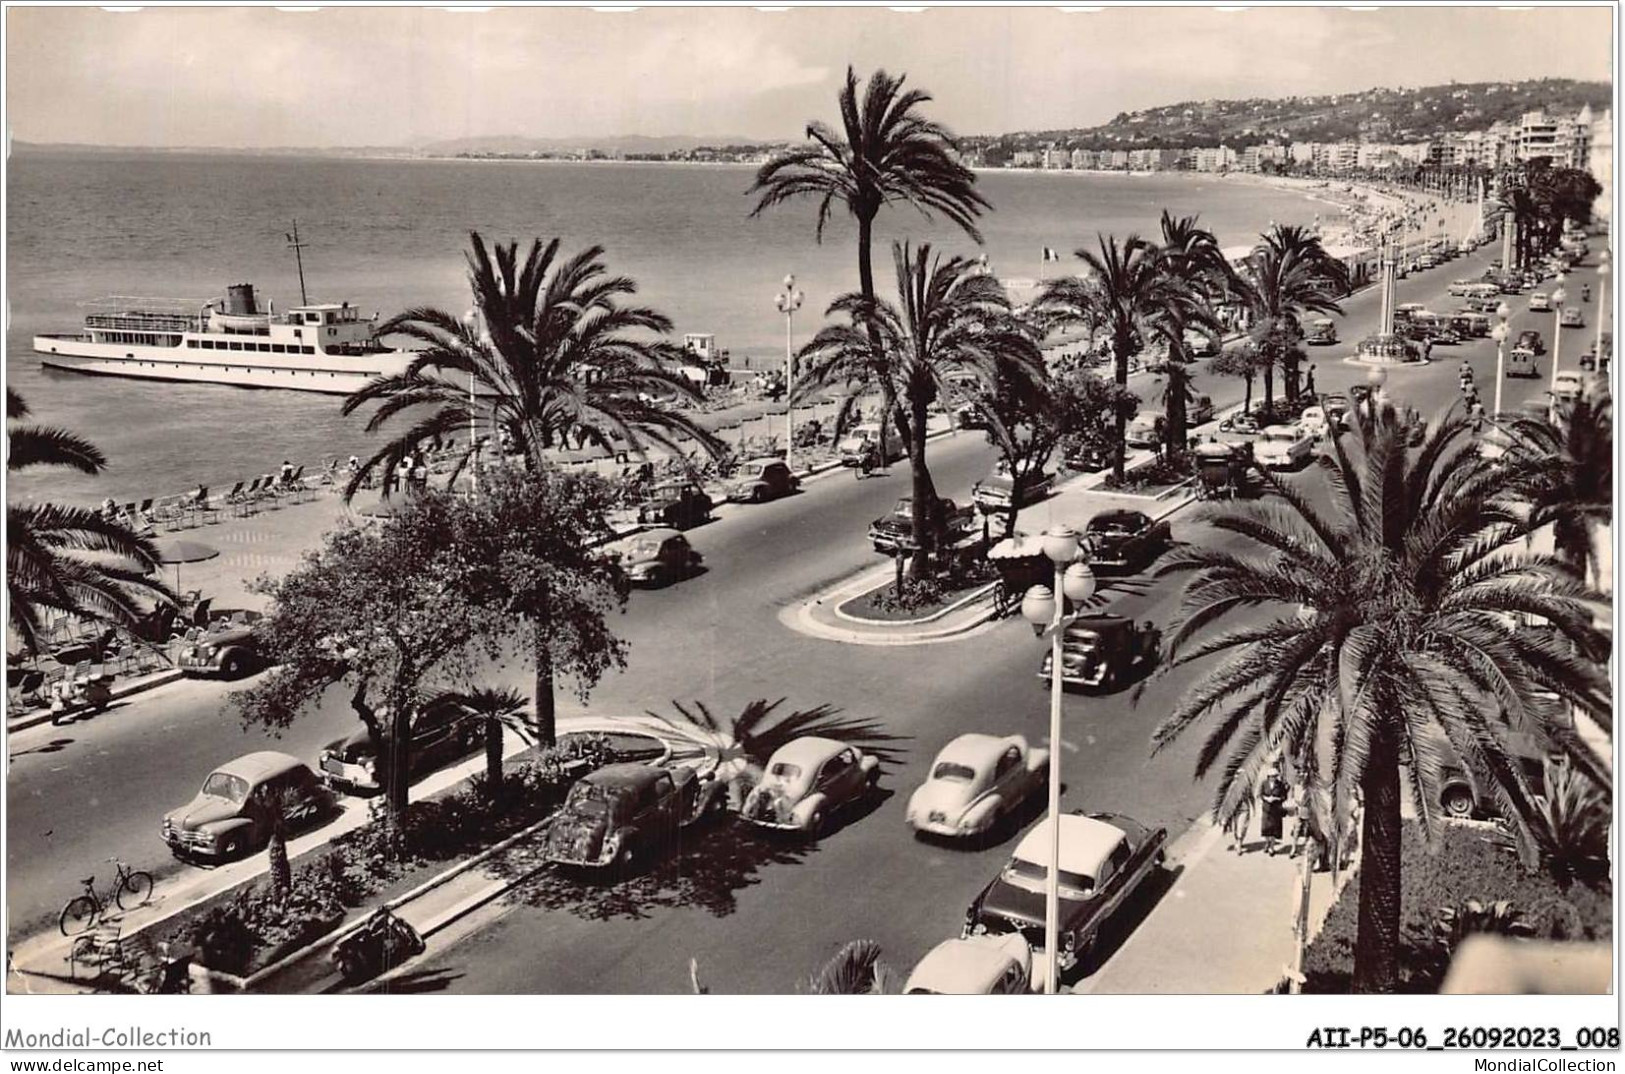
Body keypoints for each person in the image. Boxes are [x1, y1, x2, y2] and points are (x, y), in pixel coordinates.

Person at [1259, 766, 1289, 856]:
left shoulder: (1280, 784)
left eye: (1275, 776)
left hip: (1276, 810)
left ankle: (1272, 848)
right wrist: (1266, 798)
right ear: (1268, 776)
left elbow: (1284, 796)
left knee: (1274, 830)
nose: (1273, 778)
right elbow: (1261, 794)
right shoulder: (1264, 783)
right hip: (1266, 809)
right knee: (1266, 829)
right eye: (1271, 776)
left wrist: (1276, 798)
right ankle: (1267, 842)